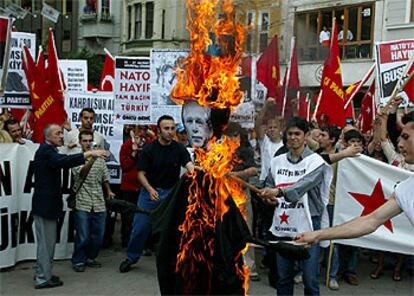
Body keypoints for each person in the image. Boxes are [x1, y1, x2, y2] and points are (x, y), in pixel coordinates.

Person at [296, 111, 414, 246]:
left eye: (406, 137)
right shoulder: (405, 190)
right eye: (400, 138)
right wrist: (318, 234)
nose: (400, 144)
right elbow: (370, 220)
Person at [260, 117, 333, 296]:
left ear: (306, 136)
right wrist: (268, 198)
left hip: (310, 223)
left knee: (310, 279)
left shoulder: (316, 162)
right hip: (284, 223)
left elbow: (303, 185)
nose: (293, 137)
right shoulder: (277, 161)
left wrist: (278, 192)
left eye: (297, 134)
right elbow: (269, 184)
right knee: (284, 277)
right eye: (290, 134)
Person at [32, 124, 108, 289]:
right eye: (58, 133)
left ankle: (44, 273)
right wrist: (89, 153)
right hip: (45, 207)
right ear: (48, 136)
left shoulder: (49, 150)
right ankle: (42, 278)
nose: (62, 136)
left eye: (62, 133)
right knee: (46, 244)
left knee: (47, 244)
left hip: (47, 206)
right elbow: (64, 162)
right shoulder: (46, 152)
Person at [119, 115, 194, 272]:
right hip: (149, 194)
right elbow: (140, 174)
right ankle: (131, 258)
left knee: (176, 229)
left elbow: (188, 164)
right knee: (140, 228)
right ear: (158, 131)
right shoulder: (148, 150)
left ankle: (176, 261)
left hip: (171, 195)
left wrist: (194, 171)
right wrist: (151, 189)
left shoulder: (179, 148)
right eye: (166, 128)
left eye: (172, 128)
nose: (170, 132)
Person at [71, 130, 115, 272]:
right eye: (85, 141)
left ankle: (91, 258)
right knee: (83, 235)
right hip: (82, 202)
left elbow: (105, 177)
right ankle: (78, 261)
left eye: (90, 140)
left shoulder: (101, 160)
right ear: (80, 142)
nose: (88, 143)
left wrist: (108, 190)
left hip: (99, 202)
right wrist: (92, 158)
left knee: (98, 235)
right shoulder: (76, 158)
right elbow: (81, 173)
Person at [224, 122, 259, 281]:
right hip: (224, 195)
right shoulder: (221, 150)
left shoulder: (246, 150)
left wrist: (236, 175)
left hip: (242, 194)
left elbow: (253, 170)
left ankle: (249, 265)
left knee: (246, 229)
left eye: (235, 135)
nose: (232, 138)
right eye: (229, 135)